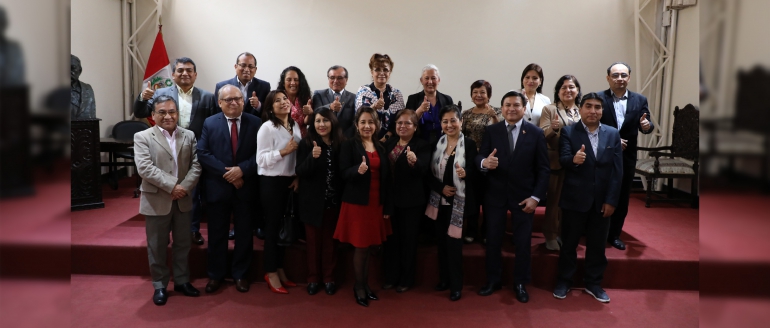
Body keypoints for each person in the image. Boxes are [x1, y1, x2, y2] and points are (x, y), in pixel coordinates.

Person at [133, 57, 218, 245]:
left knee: (191, 193)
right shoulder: (159, 93)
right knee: (163, 188)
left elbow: (213, 124)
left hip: (192, 150)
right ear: (173, 74)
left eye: (189, 70)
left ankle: (192, 230)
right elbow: (140, 112)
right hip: (163, 148)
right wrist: (142, 98)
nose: (185, 73)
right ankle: (165, 230)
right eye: (180, 70)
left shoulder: (207, 97)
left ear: (195, 75)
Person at [475, 91, 549, 303]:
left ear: (524, 108)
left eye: (516, 105)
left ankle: (520, 282)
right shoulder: (492, 131)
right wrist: (483, 163)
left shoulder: (535, 133)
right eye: (507, 105)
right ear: (502, 108)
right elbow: (480, 155)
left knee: (523, 243)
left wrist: (536, 197)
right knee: (493, 242)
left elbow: (543, 169)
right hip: (495, 196)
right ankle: (493, 280)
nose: (511, 108)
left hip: (524, 197)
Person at [553, 92, 623, 303]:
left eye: (597, 107)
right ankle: (564, 281)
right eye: (589, 106)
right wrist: (574, 159)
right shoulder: (568, 131)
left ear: (602, 111)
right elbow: (563, 158)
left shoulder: (612, 134)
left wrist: (611, 200)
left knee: (597, 246)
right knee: (569, 245)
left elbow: (617, 172)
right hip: (575, 199)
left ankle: (593, 283)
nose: (593, 111)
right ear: (580, 109)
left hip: (602, 201)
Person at [133, 95, 202, 305]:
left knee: (183, 243)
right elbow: (144, 168)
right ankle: (160, 285)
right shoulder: (142, 136)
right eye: (161, 112)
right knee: (157, 245)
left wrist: (183, 188)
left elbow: (196, 165)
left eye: (172, 112)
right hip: (157, 200)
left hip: (182, 200)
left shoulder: (189, 135)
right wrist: (173, 186)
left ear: (177, 114)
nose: (168, 116)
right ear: (153, 115)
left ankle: (181, 281)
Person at [196, 85, 261, 293]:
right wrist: (230, 174)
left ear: (243, 101)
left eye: (237, 98)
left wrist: (242, 170)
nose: (234, 102)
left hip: (246, 186)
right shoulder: (210, 123)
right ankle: (216, 275)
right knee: (217, 234)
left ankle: (241, 274)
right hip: (219, 187)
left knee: (244, 234)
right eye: (229, 99)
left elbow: (261, 154)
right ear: (220, 103)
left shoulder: (256, 122)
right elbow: (203, 153)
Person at [334, 107, 393, 307]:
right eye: (363, 122)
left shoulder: (380, 146)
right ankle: (359, 286)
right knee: (360, 247)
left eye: (371, 122)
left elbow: (387, 178)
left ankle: (366, 285)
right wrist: (356, 171)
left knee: (369, 247)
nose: (367, 126)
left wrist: (386, 206)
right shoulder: (349, 145)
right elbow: (342, 173)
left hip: (376, 203)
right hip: (357, 204)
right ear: (357, 125)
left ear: (377, 125)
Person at [598, 62, 654, 250]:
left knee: (621, 196)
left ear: (629, 77)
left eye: (623, 75)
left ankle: (614, 234)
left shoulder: (640, 100)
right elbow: (591, 125)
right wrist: (611, 141)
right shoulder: (598, 98)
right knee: (599, 193)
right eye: (615, 75)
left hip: (627, 156)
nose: (619, 79)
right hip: (602, 154)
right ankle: (595, 231)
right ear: (608, 78)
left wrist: (647, 127)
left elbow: (646, 123)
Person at [426, 105, 478, 301]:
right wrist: (441, 189)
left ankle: (456, 286)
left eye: (453, 120)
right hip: (440, 201)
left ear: (461, 122)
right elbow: (428, 175)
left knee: (454, 246)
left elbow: (475, 172)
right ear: (441, 124)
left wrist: (466, 174)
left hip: (459, 203)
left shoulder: (470, 144)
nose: (449, 125)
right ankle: (444, 280)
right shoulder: (436, 144)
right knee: (441, 244)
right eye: (445, 121)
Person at [257, 89, 302, 294]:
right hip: (271, 183)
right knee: (273, 230)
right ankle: (270, 272)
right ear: (270, 107)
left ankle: (280, 268)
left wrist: (296, 176)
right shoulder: (267, 127)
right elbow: (261, 159)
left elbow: (297, 156)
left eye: (285, 99)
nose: (283, 102)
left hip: (288, 182)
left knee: (285, 228)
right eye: (277, 101)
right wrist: (283, 151)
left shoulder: (294, 125)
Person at [295, 108, 344, 296]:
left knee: (330, 243)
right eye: (317, 121)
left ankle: (329, 278)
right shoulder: (307, 143)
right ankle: (313, 278)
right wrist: (312, 157)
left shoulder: (340, 143)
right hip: (312, 202)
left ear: (332, 122)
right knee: (313, 243)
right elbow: (300, 170)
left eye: (325, 120)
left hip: (334, 202)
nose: (321, 125)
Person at [381, 110, 430, 293]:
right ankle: (391, 277)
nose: (402, 126)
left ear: (415, 127)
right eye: (399, 123)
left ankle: (406, 279)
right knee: (391, 242)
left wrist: (414, 162)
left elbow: (423, 171)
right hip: (391, 200)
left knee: (408, 242)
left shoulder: (422, 145)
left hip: (411, 202)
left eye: (407, 123)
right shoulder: (390, 143)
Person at [538, 75, 583, 251]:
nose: (568, 90)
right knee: (555, 202)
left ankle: (565, 234)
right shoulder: (549, 109)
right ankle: (550, 235)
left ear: (577, 90)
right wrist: (553, 128)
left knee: (572, 201)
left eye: (572, 87)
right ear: (558, 91)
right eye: (563, 87)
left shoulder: (582, 110)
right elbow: (542, 134)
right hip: (556, 161)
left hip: (578, 162)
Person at [460, 79, 499, 243]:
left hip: (491, 161)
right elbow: (461, 136)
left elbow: (502, 135)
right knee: (472, 198)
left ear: (488, 95)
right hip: (471, 161)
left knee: (489, 199)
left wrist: (495, 118)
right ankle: (472, 230)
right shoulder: (466, 114)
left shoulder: (497, 112)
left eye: (482, 92)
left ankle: (486, 232)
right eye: (475, 92)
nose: (479, 95)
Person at [355, 53, 405, 142]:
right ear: (371, 72)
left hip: (392, 141)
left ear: (390, 72)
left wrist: (386, 137)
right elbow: (359, 117)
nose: (382, 73)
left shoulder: (397, 94)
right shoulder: (363, 91)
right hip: (366, 141)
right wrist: (374, 107)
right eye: (377, 69)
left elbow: (401, 120)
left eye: (385, 70)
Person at [404, 65, 454, 144]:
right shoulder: (413, 99)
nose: (430, 82)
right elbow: (406, 123)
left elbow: (452, 122)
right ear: (421, 80)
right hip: (419, 143)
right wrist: (420, 110)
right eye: (426, 78)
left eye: (433, 78)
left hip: (444, 143)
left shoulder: (447, 99)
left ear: (439, 80)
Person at [214, 52, 271, 117]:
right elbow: (218, 111)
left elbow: (269, 110)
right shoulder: (222, 86)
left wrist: (258, 105)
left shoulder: (264, 86)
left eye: (251, 66)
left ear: (255, 69)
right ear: (236, 66)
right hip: (229, 125)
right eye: (243, 65)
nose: (246, 69)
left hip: (256, 126)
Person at [312, 65, 356, 138]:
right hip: (323, 139)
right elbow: (316, 112)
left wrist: (344, 137)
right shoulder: (319, 94)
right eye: (332, 78)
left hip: (346, 139)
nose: (335, 81)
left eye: (340, 78)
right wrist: (330, 107)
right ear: (328, 79)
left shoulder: (353, 97)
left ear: (346, 80)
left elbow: (355, 121)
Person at [277, 66, 313, 138]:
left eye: (296, 80)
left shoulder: (306, 98)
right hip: (282, 138)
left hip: (303, 140)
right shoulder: (277, 98)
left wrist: (310, 114)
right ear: (283, 83)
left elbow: (306, 122)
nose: (293, 83)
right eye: (289, 80)